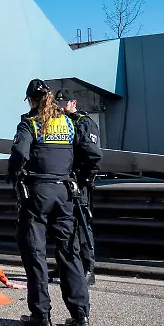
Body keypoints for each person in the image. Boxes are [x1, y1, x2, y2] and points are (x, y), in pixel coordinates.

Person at [7, 79, 101, 326]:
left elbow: (19, 153)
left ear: (31, 100)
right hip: (66, 193)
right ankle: (80, 314)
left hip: (37, 193)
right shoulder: (69, 122)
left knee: (35, 254)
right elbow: (92, 153)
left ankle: (41, 314)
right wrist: (79, 179)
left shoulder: (30, 123)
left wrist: (14, 176)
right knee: (69, 252)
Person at [51, 89, 102, 285]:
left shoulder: (83, 122)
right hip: (63, 180)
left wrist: (85, 180)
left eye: (64, 103)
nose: (61, 107)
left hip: (79, 183)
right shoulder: (60, 122)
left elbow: (94, 156)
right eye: (58, 103)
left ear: (73, 102)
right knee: (62, 225)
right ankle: (64, 265)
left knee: (82, 224)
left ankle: (88, 268)